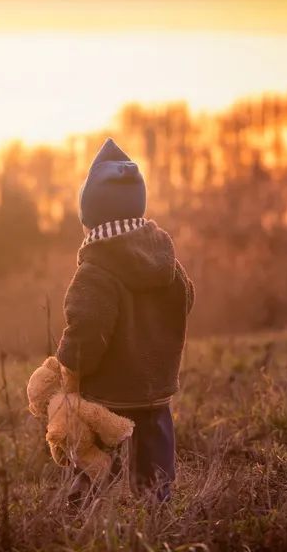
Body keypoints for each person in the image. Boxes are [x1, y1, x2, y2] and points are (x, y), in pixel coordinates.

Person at [56, 137, 194, 502]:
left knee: (96, 465)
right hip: (156, 392)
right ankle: (156, 517)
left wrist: (68, 367)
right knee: (155, 471)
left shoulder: (97, 269)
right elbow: (186, 298)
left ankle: (84, 516)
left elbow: (86, 330)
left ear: (91, 215)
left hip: (108, 396)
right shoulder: (166, 261)